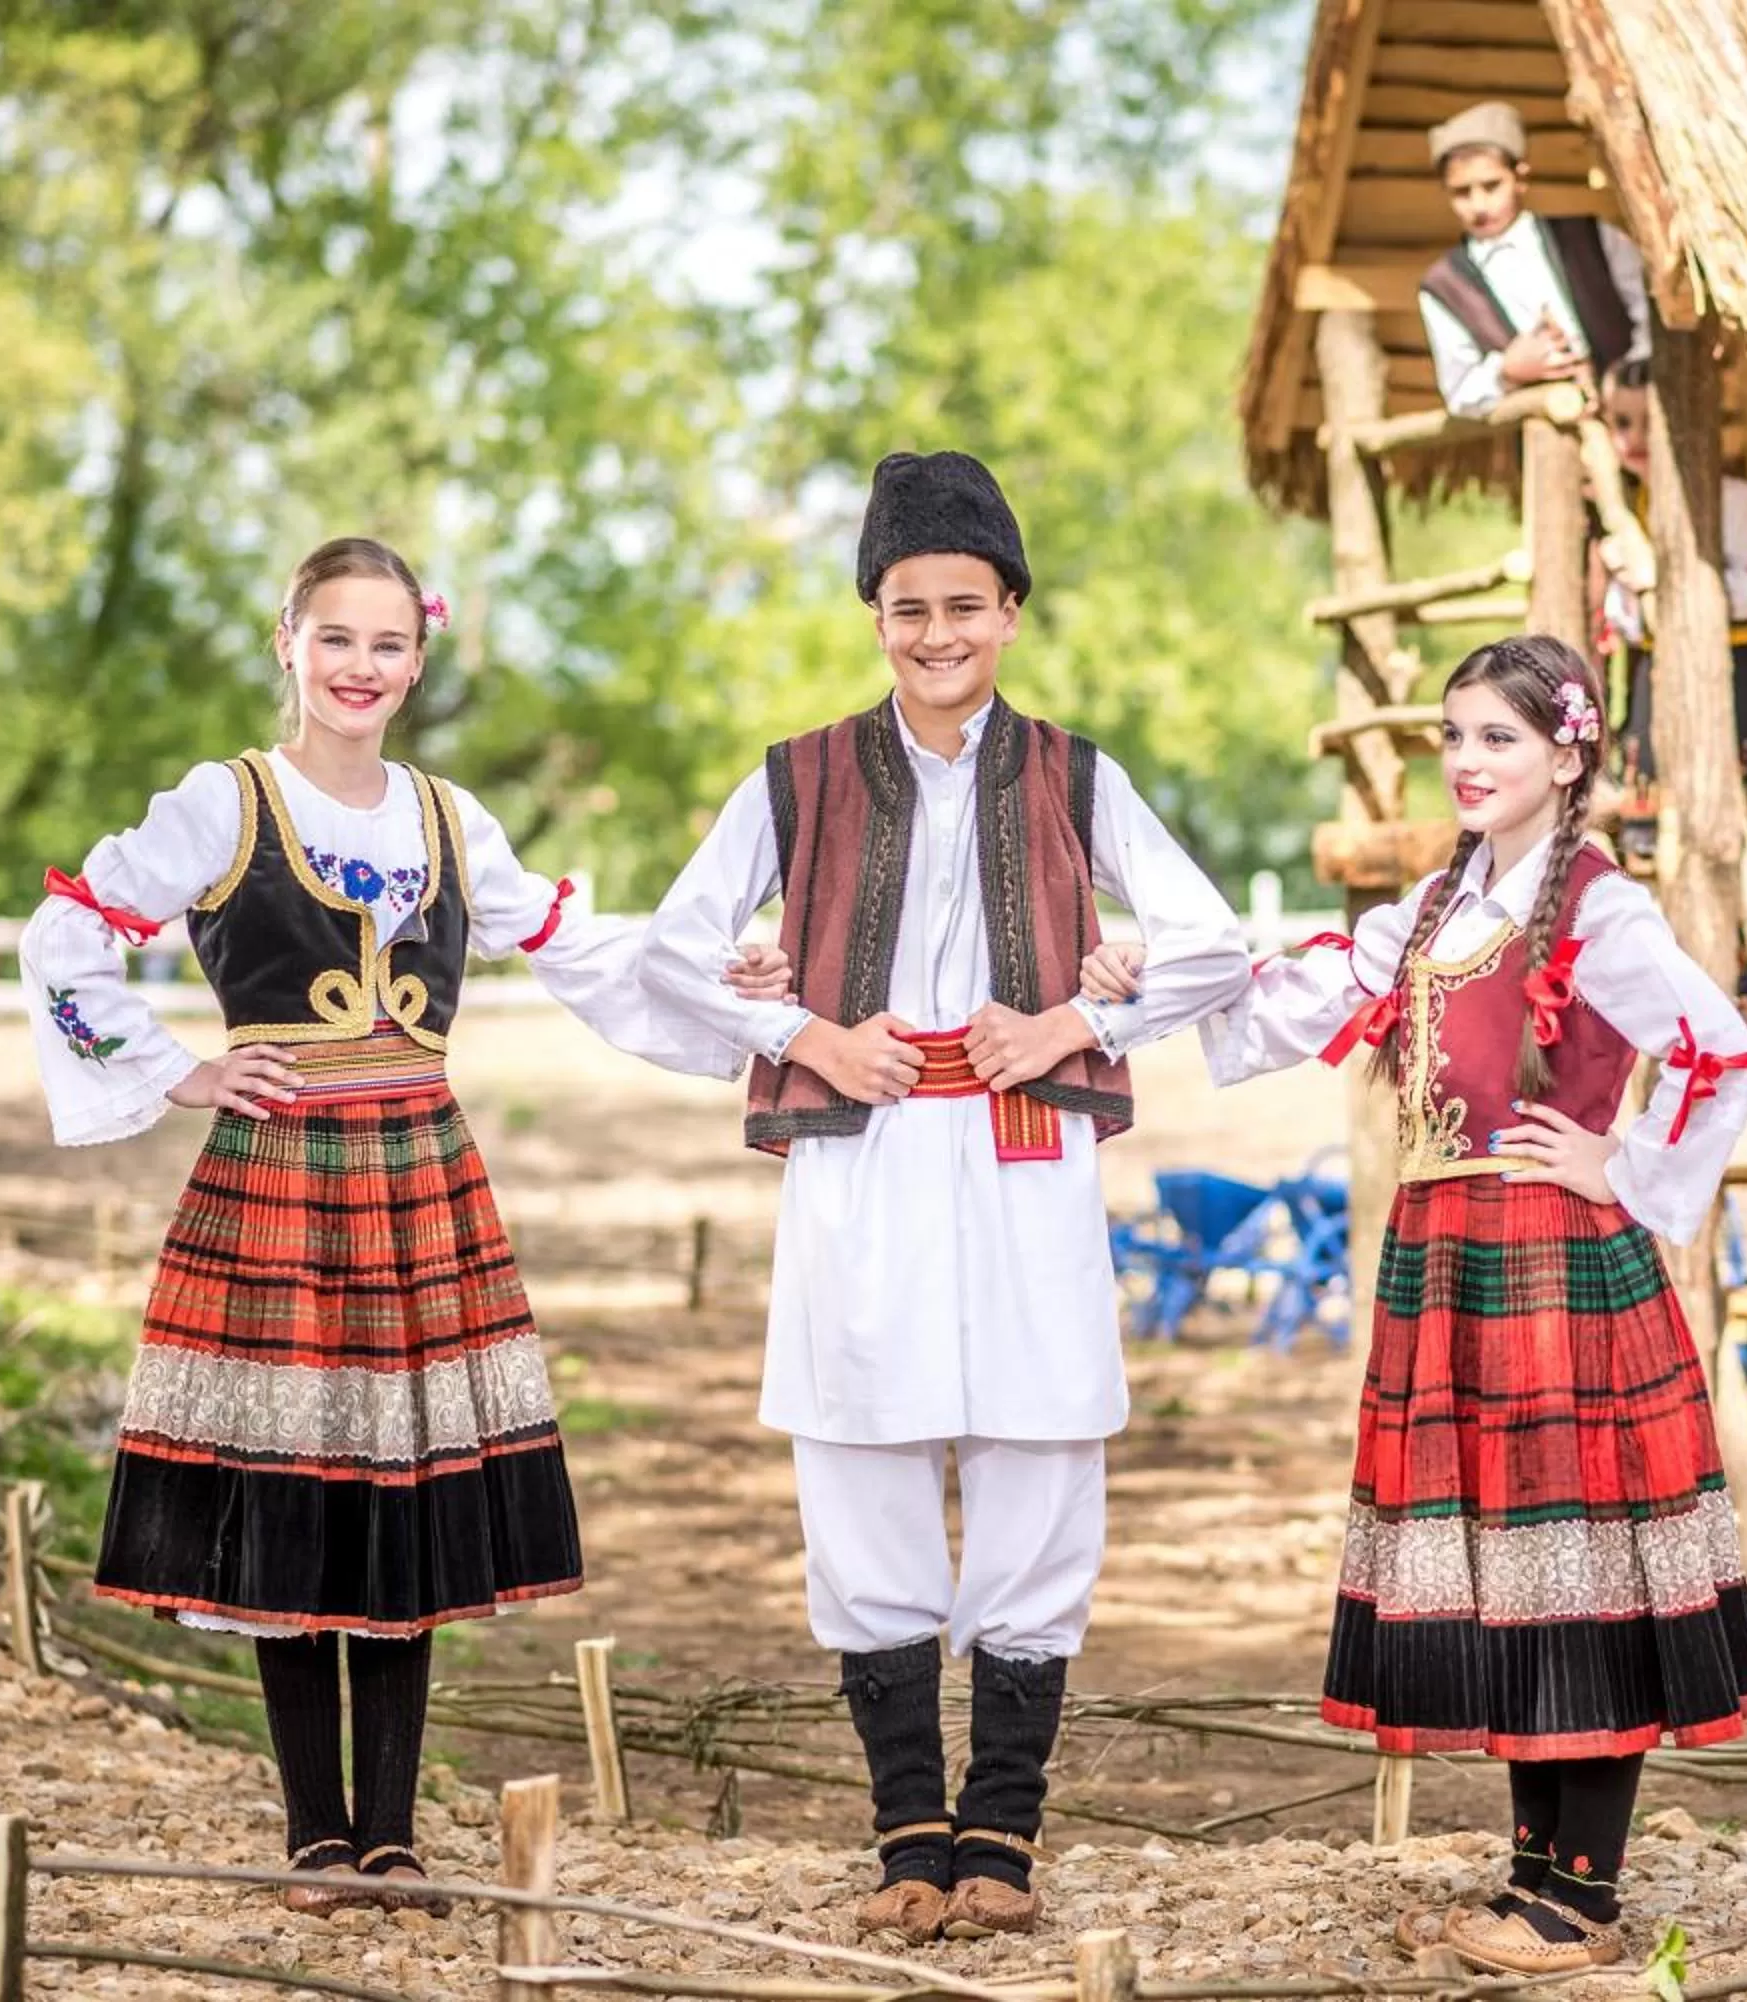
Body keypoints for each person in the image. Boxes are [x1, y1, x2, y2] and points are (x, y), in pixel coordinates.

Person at [19, 536, 783, 1913]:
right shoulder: (222, 803)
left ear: (417, 659)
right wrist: (181, 1068)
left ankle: (395, 1835)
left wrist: (737, 976)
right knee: (294, 1488)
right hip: (280, 1166)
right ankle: (317, 1831)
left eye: (387, 644)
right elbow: (66, 934)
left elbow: (586, 949)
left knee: (407, 1488)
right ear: (288, 644)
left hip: (421, 1176)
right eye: (337, 639)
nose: (361, 667)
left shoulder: (449, 818)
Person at [631, 451, 1251, 1944]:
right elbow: (670, 946)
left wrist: (1075, 1021)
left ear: (1013, 611)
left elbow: (1218, 944)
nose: (935, 634)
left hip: (1027, 1145)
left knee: (1040, 1447)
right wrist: (801, 1031)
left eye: (963, 605)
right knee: (862, 1447)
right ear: (876, 615)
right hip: (864, 1148)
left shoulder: (1075, 774)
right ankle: (907, 1822)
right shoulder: (800, 773)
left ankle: (1005, 1833)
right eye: (906, 608)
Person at [1093, 634, 1747, 1975]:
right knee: (1508, 1565)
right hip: (1451, 1251)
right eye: (1454, 735)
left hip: (1550, 1257)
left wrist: (1620, 1163)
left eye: (1498, 738)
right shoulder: (1444, 898)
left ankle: (1580, 1901)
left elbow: (1718, 1048)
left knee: (1580, 1565)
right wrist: (1140, 986)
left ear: (1566, 752)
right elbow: (1298, 996)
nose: (1466, 759)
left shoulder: (1601, 908)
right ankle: (1533, 1884)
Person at [1593, 358, 1747, 862]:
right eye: (1622, 423)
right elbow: (1624, 617)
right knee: (1653, 821)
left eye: (1653, 423)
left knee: (1735, 822)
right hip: (1656, 674)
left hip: (1733, 673)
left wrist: (1670, 588)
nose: (1636, 438)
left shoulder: (1734, 501)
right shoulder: (1623, 508)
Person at [1415, 101, 1650, 420]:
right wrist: (1507, 370)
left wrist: (1629, 373)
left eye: (1491, 186)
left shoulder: (1589, 236)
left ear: (1520, 178)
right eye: (1462, 192)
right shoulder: (1444, 285)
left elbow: (1649, 313)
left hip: (1635, 420)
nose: (1479, 205)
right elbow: (1459, 394)